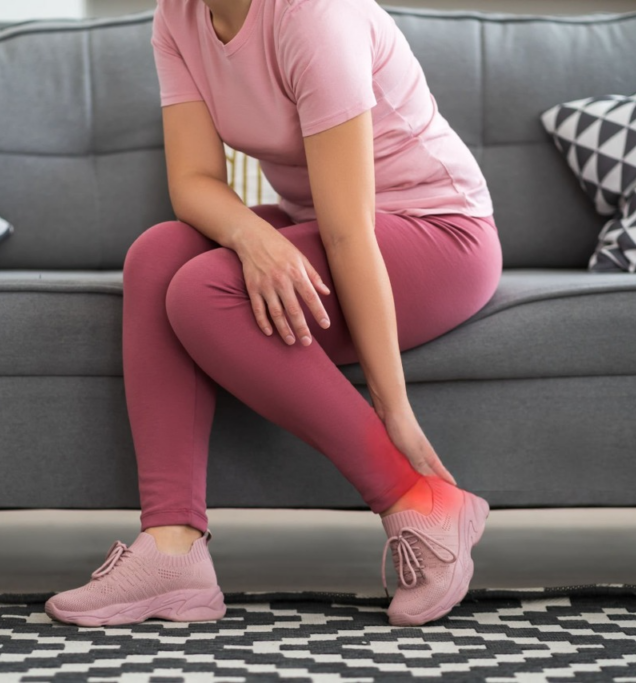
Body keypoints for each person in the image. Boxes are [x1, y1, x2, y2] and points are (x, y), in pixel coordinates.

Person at [44, 0, 501, 628]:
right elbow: (196, 180)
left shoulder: (313, 14)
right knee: (156, 256)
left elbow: (349, 232)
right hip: (319, 223)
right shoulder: (178, 16)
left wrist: (395, 411)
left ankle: (421, 501)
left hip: (438, 233)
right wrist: (254, 238)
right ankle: (172, 547)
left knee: (205, 290)